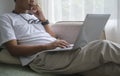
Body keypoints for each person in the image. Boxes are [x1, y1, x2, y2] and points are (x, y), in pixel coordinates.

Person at [0, 0, 120, 75]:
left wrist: (43, 19)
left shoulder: (34, 16)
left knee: (111, 69)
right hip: (42, 58)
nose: (32, 0)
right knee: (104, 45)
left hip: (58, 51)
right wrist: (46, 46)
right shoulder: (6, 18)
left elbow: (52, 36)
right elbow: (13, 49)